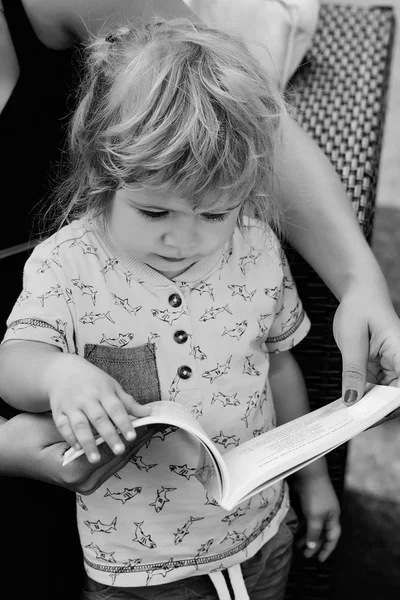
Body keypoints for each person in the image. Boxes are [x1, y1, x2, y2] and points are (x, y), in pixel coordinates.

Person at [0, 18, 341, 599]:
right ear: (101, 175)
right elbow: (14, 363)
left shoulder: (255, 244)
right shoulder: (68, 265)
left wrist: (311, 477)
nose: (184, 240)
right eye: (154, 213)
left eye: (214, 214)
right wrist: (58, 373)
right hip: (137, 566)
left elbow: (280, 366)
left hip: (261, 532)